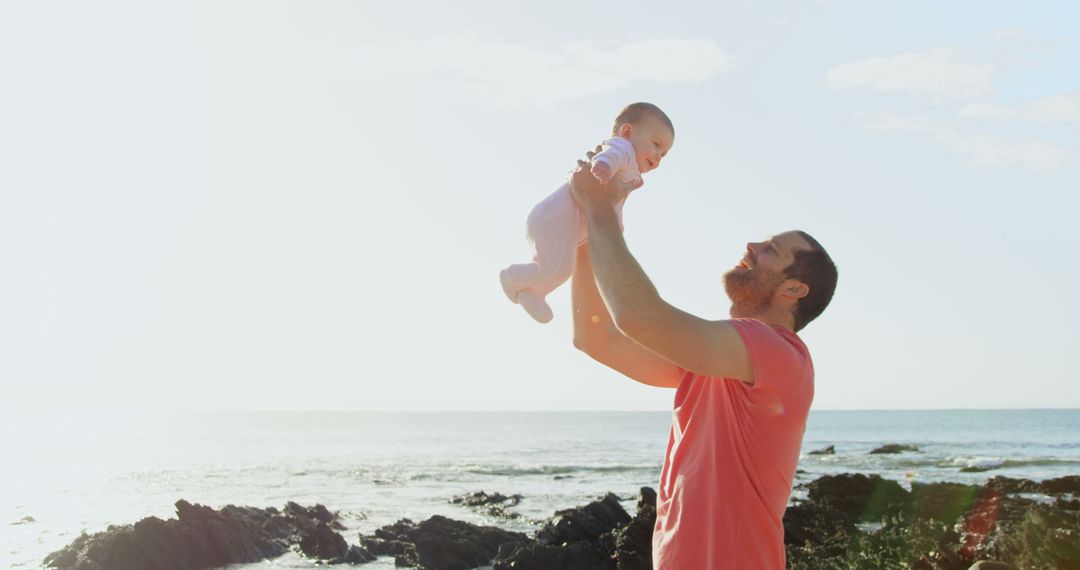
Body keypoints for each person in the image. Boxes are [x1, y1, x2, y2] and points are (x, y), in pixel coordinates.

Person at [567, 159, 838, 569]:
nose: (752, 246)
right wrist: (588, 234)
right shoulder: (711, 363)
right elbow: (595, 336)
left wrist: (601, 208)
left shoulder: (780, 354)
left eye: (772, 250)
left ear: (794, 288)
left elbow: (639, 318)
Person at [500, 102, 675, 324]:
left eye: (664, 153)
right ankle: (511, 277)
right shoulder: (624, 149)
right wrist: (603, 165)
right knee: (558, 268)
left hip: (568, 229)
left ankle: (533, 293)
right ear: (627, 132)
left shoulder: (630, 175)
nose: (659, 156)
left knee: (564, 267)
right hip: (554, 219)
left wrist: (617, 226)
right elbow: (610, 155)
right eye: (656, 145)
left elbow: (612, 203)